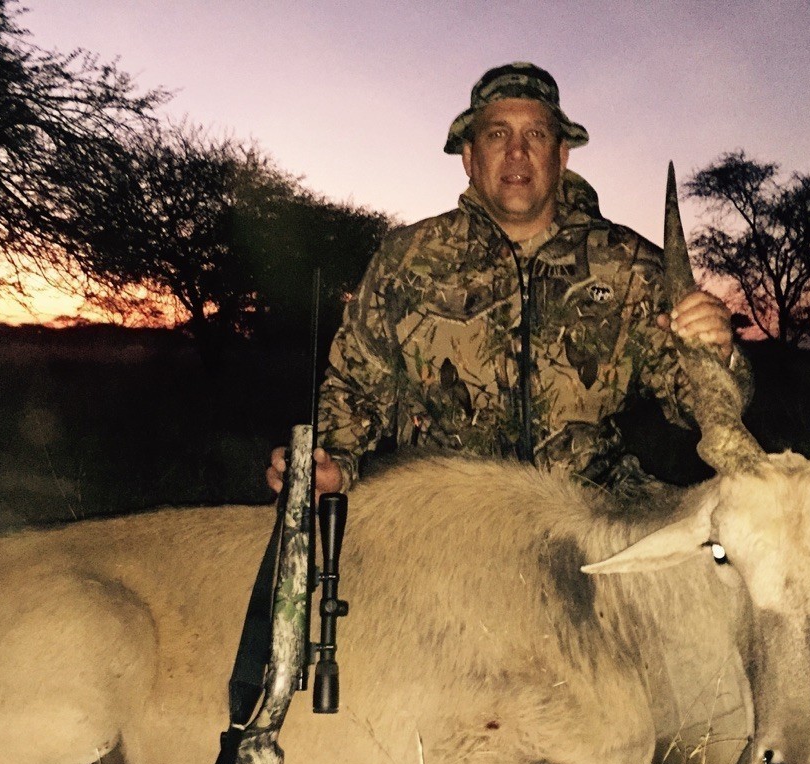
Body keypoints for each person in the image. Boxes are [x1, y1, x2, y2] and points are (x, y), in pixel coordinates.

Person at [267, 62, 749, 497]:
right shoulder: (407, 258)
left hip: (592, 514)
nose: (517, 151)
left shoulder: (631, 265)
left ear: (561, 157)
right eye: (497, 135)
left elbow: (698, 406)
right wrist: (331, 464)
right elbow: (354, 390)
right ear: (470, 158)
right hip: (444, 516)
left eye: (535, 135)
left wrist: (718, 350)